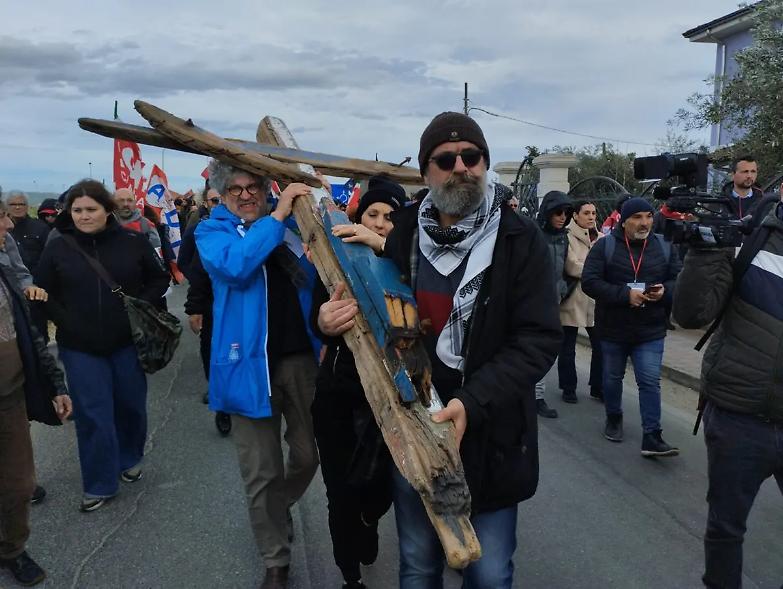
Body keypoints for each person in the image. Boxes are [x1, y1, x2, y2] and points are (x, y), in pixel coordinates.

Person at [318, 112, 562, 588]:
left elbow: (538, 338)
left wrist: (472, 402)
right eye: (446, 160)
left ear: (485, 162)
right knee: (418, 564)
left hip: (490, 425)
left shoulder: (519, 239)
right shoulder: (406, 231)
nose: (461, 167)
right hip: (415, 420)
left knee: (489, 574)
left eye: (472, 156)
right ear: (426, 171)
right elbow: (376, 311)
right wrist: (327, 323)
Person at [195, 160, 321, 589]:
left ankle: (275, 508)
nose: (246, 195)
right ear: (223, 194)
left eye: (253, 187)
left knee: (308, 456)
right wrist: (277, 216)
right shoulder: (212, 232)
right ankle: (275, 560)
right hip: (245, 367)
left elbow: (320, 278)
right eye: (236, 189)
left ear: (267, 188)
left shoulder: (293, 227)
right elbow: (237, 266)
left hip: (301, 361)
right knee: (261, 471)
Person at [34, 180, 170, 512]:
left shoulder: (133, 241)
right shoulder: (57, 247)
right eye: (77, 210)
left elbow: (160, 278)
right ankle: (99, 483)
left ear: (107, 210)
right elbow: (43, 291)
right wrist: (65, 321)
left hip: (127, 343)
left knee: (131, 407)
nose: (84, 216)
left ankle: (129, 457)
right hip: (79, 347)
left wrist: (139, 306)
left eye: (91, 209)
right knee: (93, 415)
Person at [673, 196, 783, 589]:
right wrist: (705, 250)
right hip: (740, 417)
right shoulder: (748, 236)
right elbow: (691, 314)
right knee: (726, 528)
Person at [311, 176, 406, 589]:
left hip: (392, 400)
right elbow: (318, 316)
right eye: (373, 214)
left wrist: (385, 248)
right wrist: (324, 322)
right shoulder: (335, 258)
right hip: (339, 394)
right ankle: (350, 575)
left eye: (390, 216)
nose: (380, 222)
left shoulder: (412, 264)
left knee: (381, 488)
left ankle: (369, 520)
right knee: (340, 493)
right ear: (358, 216)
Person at [582, 197, 682, 456]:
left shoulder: (664, 245)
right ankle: (614, 417)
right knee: (612, 377)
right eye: (637, 217)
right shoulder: (605, 247)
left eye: (648, 216)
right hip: (613, 328)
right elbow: (590, 282)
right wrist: (625, 295)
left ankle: (652, 435)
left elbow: (679, 279)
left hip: (650, 329)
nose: (644, 223)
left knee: (649, 381)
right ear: (623, 221)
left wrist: (665, 291)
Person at [0, 263, 72, 587]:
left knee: (20, 485)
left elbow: (30, 334)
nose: (5, 237)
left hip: (10, 398)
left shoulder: (4, 274)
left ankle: (12, 550)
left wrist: (56, 383)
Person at [558, 199, 604, 403]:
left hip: (595, 299)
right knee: (567, 347)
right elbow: (572, 266)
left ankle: (598, 386)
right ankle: (568, 388)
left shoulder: (601, 238)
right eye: (586, 213)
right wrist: (596, 271)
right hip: (572, 298)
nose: (591, 217)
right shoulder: (566, 237)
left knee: (601, 346)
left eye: (593, 213)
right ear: (575, 215)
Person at [533, 190, 573, 418]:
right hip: (532, 301)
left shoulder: (563, 237)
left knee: (545, 349)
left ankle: (537, 396)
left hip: (553, 301)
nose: (562, 217)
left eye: (566, 213)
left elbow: (564, 267)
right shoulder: (534, 234)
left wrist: (563, 288)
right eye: (558, 212)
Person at [6, 192, 50, 276]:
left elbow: (49, 256)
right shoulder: (2, 228)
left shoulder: (41, 228)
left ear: (27, 206)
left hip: (35, 278)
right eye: (13, 204)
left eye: (21, 204)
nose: (17, 207)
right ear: (6, 207)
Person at [722, 155, 764, 220]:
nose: (749, 176)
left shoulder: (764, 201)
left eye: (753, 171)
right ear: (733, 175)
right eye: (745, 172)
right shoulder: (719, 201)